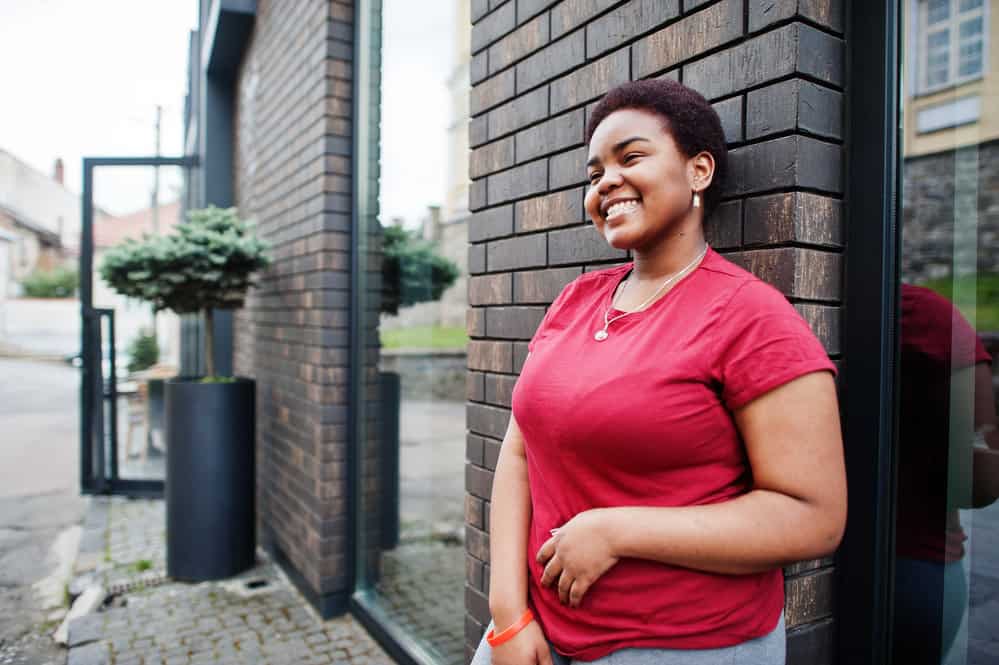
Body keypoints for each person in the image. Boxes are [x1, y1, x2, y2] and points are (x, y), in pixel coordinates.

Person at [470, 78, 847, 665]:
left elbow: (812, 518)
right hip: (535, 633)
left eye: (632, 157)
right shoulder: (574, 301)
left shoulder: (751, 318)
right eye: (594, 174)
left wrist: (617, 531)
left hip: (681, 646)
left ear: (699, 170)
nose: (606, 182)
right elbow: (520, 452)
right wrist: (506, 615)